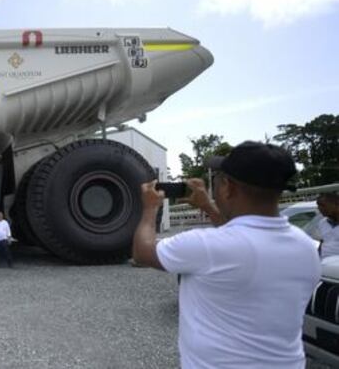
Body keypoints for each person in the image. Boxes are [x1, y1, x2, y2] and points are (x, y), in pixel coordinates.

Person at [132, 141, 320, 368]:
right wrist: (209, 207)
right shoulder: (307, 246)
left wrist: (150, 208)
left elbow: (142, 252)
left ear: (228, 187)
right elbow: (242, 238)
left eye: (218, 179)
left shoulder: (206, 245)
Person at [317, 192, 339, 259]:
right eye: (318, 205)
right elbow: (322, 242)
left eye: (322, 205)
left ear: (336, 204)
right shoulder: (322, 223)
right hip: (325, 265)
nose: (319, 208)